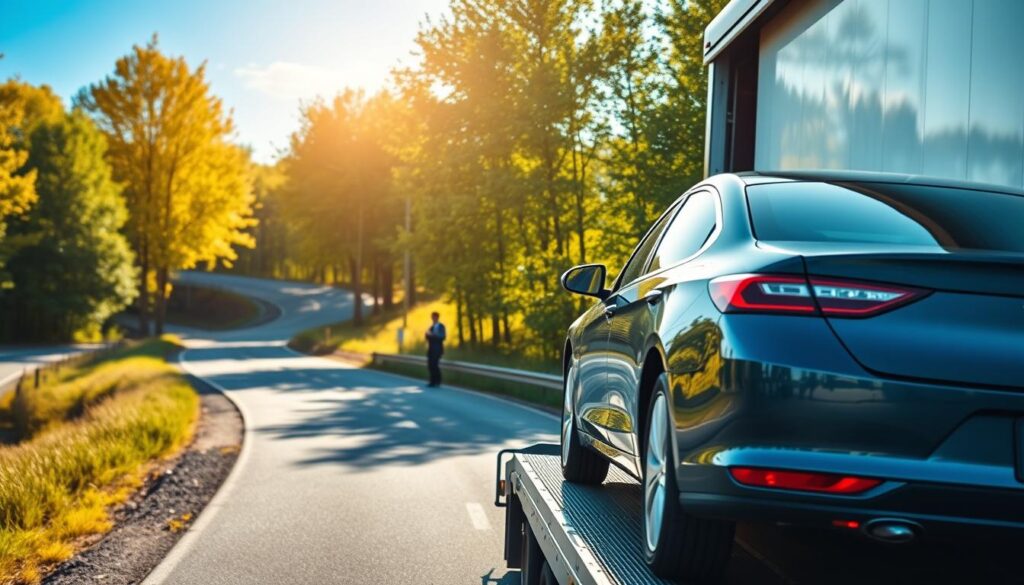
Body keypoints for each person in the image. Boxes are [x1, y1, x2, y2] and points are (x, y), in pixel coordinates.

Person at [425, 311, 446, 387]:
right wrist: (427, 335)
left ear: (437, 317)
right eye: (432, 317)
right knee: (430, 365)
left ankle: (437, 381)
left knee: (435, 365)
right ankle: (432, 381)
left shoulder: (441, 326)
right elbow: (427, 337)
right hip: (431, 349)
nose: (433, 318)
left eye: (434, 317)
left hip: (438, 349)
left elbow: (443, 337)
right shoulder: (431, 327)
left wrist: (433, 335)